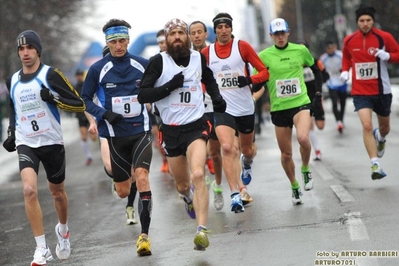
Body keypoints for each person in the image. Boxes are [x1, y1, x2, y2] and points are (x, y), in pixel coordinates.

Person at [138, 18, 226, 250]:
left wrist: (216, 98)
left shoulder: (198, 57)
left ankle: (202, 231)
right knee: (182, 185)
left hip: (196, 125)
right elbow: (143, 95)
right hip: (171, 131)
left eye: (180, 33)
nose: (177, 37)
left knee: (198, 173)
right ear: (166, 40)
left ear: (187, 37)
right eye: (172, 34)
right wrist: (170, 86)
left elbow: (208, 78)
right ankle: (188, 199)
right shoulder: (158, 62)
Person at [2, 30, 85, 265]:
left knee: (57, 193)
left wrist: (54, 99)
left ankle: (64, 231)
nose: (25, 52)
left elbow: (78, 104)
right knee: (29, 190)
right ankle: (41, 248)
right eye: (21, 49)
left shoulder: (51, 74)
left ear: (38, 50)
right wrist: (11, 133)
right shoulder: (13, 80)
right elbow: (12, 108)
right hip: (26, 141)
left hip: (51, 142)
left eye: (29, 48)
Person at [81, 19, 153, 256]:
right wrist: (105, 115)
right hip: (114, 136)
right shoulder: (97, 69)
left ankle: (145, 236)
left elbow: (157, 88)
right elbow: (86, 99)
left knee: (142, 177)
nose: (119, 46)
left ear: (129, 40)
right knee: (123, 190)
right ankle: (119, 182)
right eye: (114, 42)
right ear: (107, 43)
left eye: (122, 40)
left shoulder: (142, 64)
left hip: (140, 131)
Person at [201, 13, 269, 212]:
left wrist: (249, 81)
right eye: (219, 27)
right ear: (215, 31)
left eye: (226, 27)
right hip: (223, 108)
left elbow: (264, 72)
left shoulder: (242, 47)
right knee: (228, 148)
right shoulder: (206, 53)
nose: (223, 30)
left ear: (231, 29)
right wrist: (211, 94)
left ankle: (247, 163)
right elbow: (201, 79)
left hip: (245, 107)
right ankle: (235, 195)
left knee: (247, 151)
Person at [254, 18, 323, 204]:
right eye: (276, 34)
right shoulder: (264, 56)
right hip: (279, 108)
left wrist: (318, 93)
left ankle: (306, 169)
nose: (280, 37)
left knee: (303, 138)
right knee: (286, 154)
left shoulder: (300, 50)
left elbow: (316, 69)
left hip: (300, 103)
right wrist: (252, 95)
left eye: (282, 33)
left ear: (288, 33)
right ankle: (294, 186)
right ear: (271, 36)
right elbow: (258, 80)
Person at [340, 5, 399, 180]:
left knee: (385, 128)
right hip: (360, 92)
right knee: (366, 126)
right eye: (361, 21)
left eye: (368, 20)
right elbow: (346, 56)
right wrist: (345, 70)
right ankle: (375, 164)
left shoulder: (384, 37)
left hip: (382, 90)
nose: (365, 24)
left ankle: (380, 138)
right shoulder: (349, 40)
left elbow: (397, 53)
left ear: (373, 21)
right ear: (357, 22)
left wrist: (389, 56)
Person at [87, 45, 139, 226]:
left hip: (128, 129)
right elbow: (85, 101)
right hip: (105, 129)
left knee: (133, 171)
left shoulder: (126, 75)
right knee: (110, 166)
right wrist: (93, 122)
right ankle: (115, 177)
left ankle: (130, 206)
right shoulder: (97, 76)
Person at [189, 20, 223, 210]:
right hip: (194, 111)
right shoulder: (185, 56)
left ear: (205, 34)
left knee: (216, 154)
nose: (196, 36)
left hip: (214, 107)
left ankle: (218, 186)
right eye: (192, 33)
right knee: (195, 153)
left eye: (199, 32)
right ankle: (200, 182)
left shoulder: (213, 54)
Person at [297, 39, 328, 161]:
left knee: (320, 125)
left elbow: (324, 75)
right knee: (309, 125)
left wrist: (319, 88)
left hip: (316, 96)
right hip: (303, 99)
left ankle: (317, 148)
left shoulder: (314, 62)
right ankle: (317, 150)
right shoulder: (294, 64)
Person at [152, 29, 170, 173]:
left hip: (178, 104)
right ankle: (165, 160)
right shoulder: (155, 60)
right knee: (159, 137)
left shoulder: (180, 57)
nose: (163, 45)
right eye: (160, 43)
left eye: (165, 41)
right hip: (158, 106)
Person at [320, 41, 347, 134]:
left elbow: (347, 64)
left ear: (335, 47)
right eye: (329, 48)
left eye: (332, 47)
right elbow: (321, 69)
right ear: (326, 49)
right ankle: (338, 122)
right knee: (334, 103)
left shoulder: (341, 55)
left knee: (343, 103)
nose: (331, 50)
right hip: (331, 83)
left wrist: (344, 70)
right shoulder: (323, 58)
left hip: (342, 82)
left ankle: (341, 120)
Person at [74, 69, 97, 165]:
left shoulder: (86, 85)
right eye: (77, 75)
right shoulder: (74, 87)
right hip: (80, 114)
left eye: (80, 75)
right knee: (83, 137)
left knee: (93, 138)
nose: (79, 77)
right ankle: (89, 157)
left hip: (89, 113)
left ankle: (102, 141)